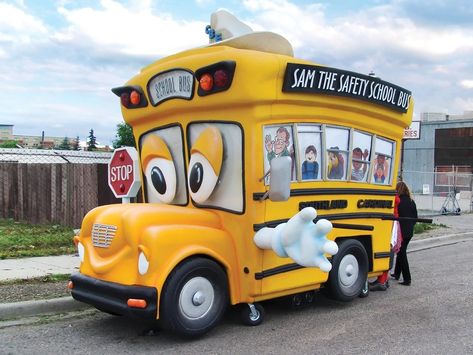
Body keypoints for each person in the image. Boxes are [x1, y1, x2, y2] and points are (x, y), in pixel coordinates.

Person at [370, 194, 401, 291]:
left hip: (391, 220)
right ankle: (384, 278)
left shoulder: (393, 195)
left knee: (387, 248)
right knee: (386, 248)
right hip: (390, 220)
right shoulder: (394, 195)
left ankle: (382, 280)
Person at [391, 181, 418, 286]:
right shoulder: (411, 201)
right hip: (409, 231)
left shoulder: (398, 201)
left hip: (401, 231)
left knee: (401, 253)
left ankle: (407, 279)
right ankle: (397, 274)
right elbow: (415, 217)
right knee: (400, 251)